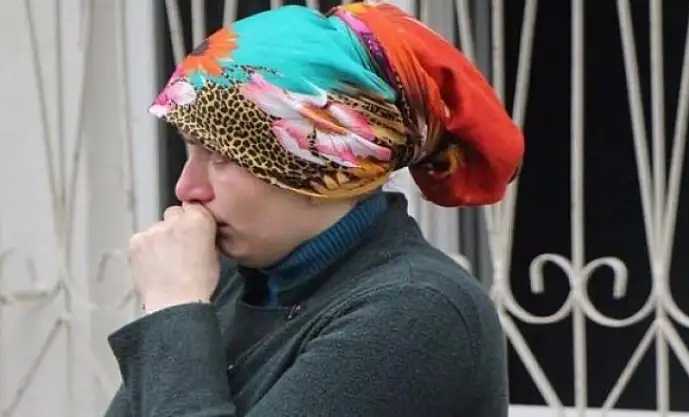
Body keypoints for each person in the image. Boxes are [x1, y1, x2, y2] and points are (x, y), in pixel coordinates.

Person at [104, 2, 523, 417]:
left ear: (320, 169)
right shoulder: (232, 280)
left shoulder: (416, 312)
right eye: (190, 150)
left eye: (220, 157)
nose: (186, 188)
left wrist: (174, 308)